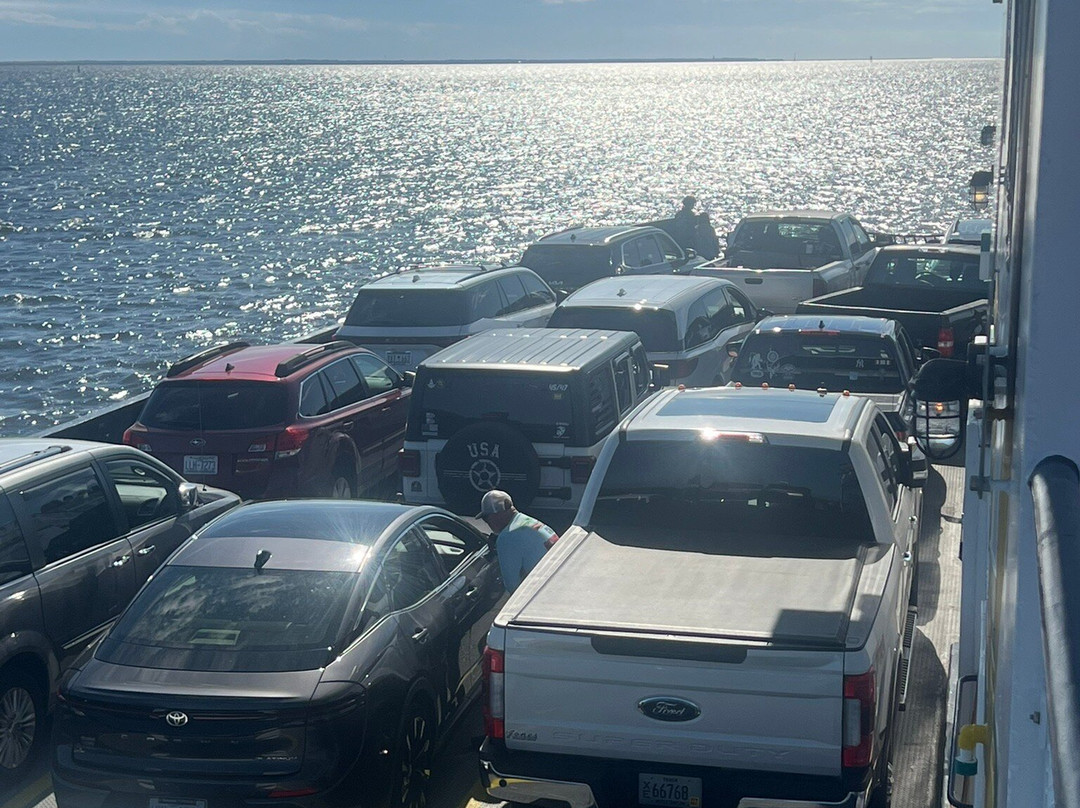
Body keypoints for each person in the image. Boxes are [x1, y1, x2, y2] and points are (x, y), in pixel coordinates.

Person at [477, 490, 557, 593]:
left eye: (486, 519)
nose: (488, 523)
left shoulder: (507, 536)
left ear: (495, 515)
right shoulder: (529, 521)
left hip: (545, 591)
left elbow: (513, 587)